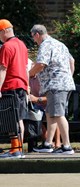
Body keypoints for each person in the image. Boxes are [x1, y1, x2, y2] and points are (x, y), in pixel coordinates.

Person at [29, 24, 75, 154]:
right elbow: (72, 61)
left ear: (37, 34)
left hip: (55, 84)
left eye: (33, 37)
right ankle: (48, 144)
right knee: (50, 113)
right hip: (61, 83)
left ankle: (67, 146)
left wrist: (29, 74)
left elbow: (41, 64)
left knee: (58, 114)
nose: (34, 41)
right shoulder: (60, 44)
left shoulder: (45, 45)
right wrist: (67, 77)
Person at [0, 19, 28, 158]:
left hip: (10, 86)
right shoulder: (22, 45)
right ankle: (18, 149)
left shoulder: (6, 46)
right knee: (19, 119)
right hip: (21, 86)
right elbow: (25, 67)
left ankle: (15, 150)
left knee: (11, 119)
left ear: (4, 31)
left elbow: (3, 69)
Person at [28, 59, 61, 149]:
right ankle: (48, 141)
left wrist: (37, 99)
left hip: (48, 103)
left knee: (54, 115)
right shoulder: (29, 79)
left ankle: (58, 142)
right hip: (38, 106)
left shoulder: (44, 79)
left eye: (32, 68)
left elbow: (51, 98)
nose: (30, 70)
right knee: (33, 115)